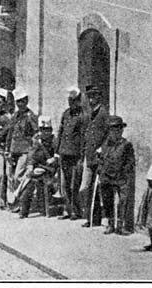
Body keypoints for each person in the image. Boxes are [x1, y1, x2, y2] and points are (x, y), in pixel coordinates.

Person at [98, 115, 135, 235]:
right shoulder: (105, 145)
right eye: (113, 129)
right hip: (107, 177)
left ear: (122, 130)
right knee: (107, 200)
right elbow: (101, 159)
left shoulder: (126, 145)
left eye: (119, 129)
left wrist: (124, 171)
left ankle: (120, 225)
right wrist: (100, 169)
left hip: (120, 178)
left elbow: (131, 161)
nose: (116, 132)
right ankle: (110, 224)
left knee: (122, 201)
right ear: (109, 131)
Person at [79, 85, 109, 228]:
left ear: (99, 97)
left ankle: (95, 218)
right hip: (89, 156)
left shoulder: (103, 114)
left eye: (94, 96)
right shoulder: (89, 114)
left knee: (97, 188)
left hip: (98, 157)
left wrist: (101, 148)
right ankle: (91, 217)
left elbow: (107, 134)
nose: (91, 100)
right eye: (89, 97)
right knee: (86, 188)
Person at [6, 87, 38, 211]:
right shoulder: (15, 116)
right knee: (12, 177)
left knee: (19, 176)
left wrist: (32, 150)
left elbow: (36, 133)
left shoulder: (30, 116)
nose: (20, 104)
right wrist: (8, 150)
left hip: (25, 150)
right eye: (18, 101)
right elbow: (10, 133)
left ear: (26, 101)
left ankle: (20, 202)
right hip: (14, 150)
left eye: (22, 101)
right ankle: (16, 202)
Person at [19, 116, 57, 218]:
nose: (45, 133)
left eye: (47, 130)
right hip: (38, 167)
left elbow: (58, 154)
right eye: (43, 130)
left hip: (50, 168)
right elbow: (31, 155)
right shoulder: (36, 141)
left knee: (34, 177)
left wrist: (53, 159)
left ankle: (18, 196)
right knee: (29, 182)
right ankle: (24, 211)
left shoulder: (54, 141)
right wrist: (30, 165)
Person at [56, 87, 86, 220]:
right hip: (64, 153)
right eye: (69, 100)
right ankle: (68, 210)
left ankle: (76, 210)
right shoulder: (66, 114)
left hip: (75, 155)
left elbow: (83, 137)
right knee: (65, 184)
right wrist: (57, 151)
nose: (71, 103)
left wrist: (81, 156)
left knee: (75, 184)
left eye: (73, 100)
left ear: (79, 101)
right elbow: (61, 132)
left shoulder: (82, 116)